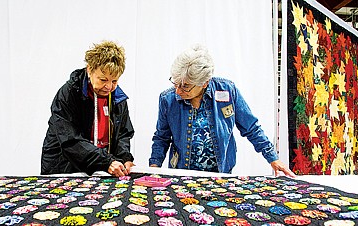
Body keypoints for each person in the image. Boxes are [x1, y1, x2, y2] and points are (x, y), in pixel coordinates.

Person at [149, 44, 295, 177]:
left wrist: (273, 158)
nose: (178, 90)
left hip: (221, 175)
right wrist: (153, 169)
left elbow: (251, 128)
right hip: (181, 174)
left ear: (205, 82)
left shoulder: (227, 90)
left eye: (185, 86)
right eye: (176, 83)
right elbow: (162, 138)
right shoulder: (167, 99)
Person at [41, 40, 134, 177]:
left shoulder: (117, 97)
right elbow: (70, 141)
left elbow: (123, 134)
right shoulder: (69, 94)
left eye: (114, 81)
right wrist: (106, 161)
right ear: (89, 69)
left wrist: (124, 158)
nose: (109, 86)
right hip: (65, 167)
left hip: (101, 167)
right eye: (103, 80)